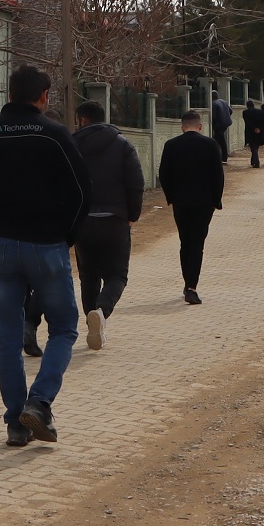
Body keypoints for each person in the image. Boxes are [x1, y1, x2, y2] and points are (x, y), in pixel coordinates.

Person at [0, 65, 90, 447]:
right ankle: (39, 402)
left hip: (2, 247)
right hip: (47, 246)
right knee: (64, 327)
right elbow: (83, 191)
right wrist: (66, 234)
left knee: (8, 337)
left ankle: (16, 423)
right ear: (44, 96)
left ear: (9, 93)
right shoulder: (55, 135)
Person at [70, 100, 144, 350]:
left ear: (82, 120)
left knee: (88, 276)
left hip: (82, 221)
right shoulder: (122, 145)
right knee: (116, 275)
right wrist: (132, 214)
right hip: (114, 220)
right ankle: (100, 314)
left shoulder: (71, 146)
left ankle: (92, 320)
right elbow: (135, 182)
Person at [158, 109, 225, 304]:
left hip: (181, 202)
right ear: (200, 126)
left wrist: (171, 197)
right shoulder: (211, 144)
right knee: (197, 243)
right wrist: (216, 200)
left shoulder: (171, 145)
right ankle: (191, 287)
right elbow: (218, 175)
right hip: (204, 203)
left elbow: (164, 174)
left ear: (182, 127)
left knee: (184, 242)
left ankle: (187, 282)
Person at [210, 93, 233, 163]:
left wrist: (213, 126)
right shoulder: (224, 101)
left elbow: (213, 116)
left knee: (219, 140)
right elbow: (231, 111)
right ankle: (222, 156)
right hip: (226, 123)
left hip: (219, 124)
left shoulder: (213, 104)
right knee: (219, 139)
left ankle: (223, 157)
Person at [242, 99, 264, 168]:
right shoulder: (260, 112)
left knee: (253, 147)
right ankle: (253, 161)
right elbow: (263, 122)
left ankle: (256, 162)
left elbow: (247, 122)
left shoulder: (245, 112)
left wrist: (254, 128)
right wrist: (259, 128)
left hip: (250, 132)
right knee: (256, 146)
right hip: (259, 132)